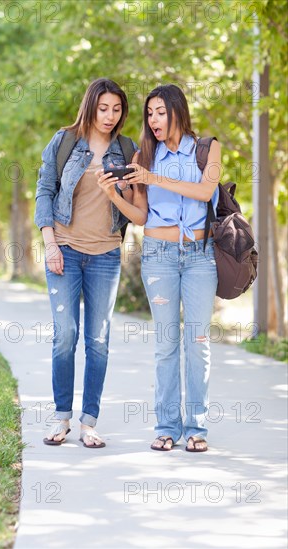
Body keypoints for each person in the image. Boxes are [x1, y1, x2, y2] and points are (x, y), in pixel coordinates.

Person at [34, 78, 147, 448]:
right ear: (91, 106)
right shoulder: (64, 141)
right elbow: (45, 191)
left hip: (106, 254)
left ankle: (89, 422)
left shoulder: (127, 149)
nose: (110, 116)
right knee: (65, 334)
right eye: (104, 108)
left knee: (97, 340)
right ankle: (61, 417)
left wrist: (117, 187)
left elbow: (134, 205)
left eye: (117, 110)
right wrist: (50, 244)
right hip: (64, 248)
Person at [122, 84, 221, 452]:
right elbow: (141, 215)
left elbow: (204, 192)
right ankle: (166, 427)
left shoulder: (207, 148)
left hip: (199, 255)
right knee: (166, 344)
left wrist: (153, 178)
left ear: (178, 110)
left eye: (160, 112)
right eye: (149, 114)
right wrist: (114, 193)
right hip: (159, 255)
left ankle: (197, 428)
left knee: (197, 343)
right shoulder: (144, 155)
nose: (154, 120)